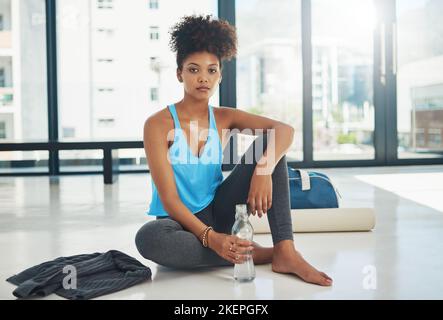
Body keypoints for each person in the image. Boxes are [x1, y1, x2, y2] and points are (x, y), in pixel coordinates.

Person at [135, 14, 332, 286]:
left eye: (211, 70)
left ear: (220, 76)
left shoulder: (224, 118)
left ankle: (285, 250)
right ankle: (255, 252)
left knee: (269, 143)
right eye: (193, 70)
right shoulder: (157, 124)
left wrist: (263, 171)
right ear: (179, 73)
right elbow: (169, 200)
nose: (203, 78)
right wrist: (210, 238)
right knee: (149, 239)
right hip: (177, 222)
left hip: (220, 211)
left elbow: (284, 130)